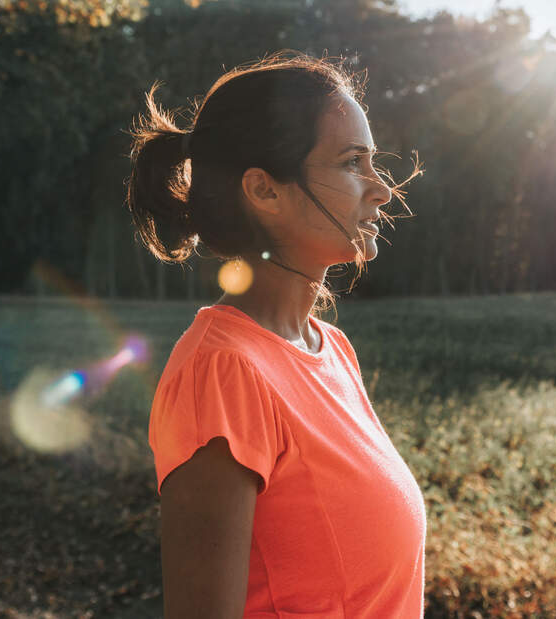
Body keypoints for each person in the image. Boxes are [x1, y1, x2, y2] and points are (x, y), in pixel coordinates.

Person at [124, 51, 426, 618]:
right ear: (265, 191)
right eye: (352, 162)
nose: (381, 188)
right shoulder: (223, 374)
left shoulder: (331, 350)